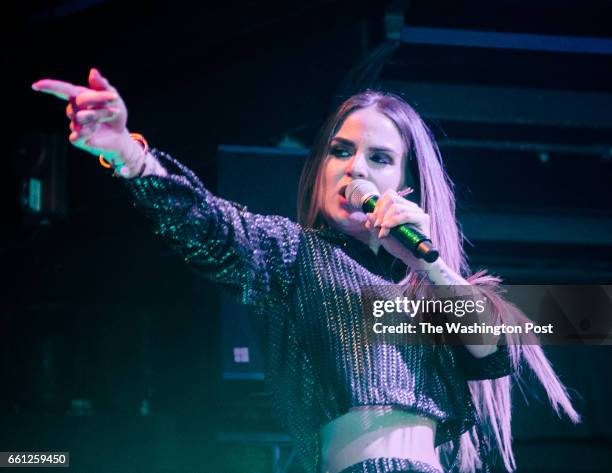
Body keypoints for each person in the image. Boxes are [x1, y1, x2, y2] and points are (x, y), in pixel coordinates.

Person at [32, 68, 580, 473]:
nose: (355, 168)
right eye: (340, 151)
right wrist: (128, 153)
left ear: (407, 182)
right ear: (319, 169)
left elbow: (492, 354)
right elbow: (208, 226)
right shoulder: (296, 256)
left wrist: (427, 261)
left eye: (379, 158)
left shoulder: (430, 289)